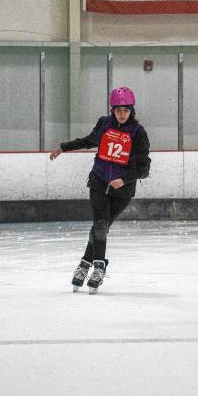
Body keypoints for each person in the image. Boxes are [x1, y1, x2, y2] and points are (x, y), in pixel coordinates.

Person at [50, 86, 151, 294]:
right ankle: (98, 267)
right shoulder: (104, 124)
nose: (122, 114)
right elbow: (89, 141)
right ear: (112, 110)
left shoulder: (138, 133)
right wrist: (64, 147)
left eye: (126, 110)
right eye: (118, 110)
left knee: (100, 227)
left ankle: (84, 263)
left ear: (132, 110)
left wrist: (124, 179)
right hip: (98, 181)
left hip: (122, 191)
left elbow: (144, 168)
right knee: (100, 225)